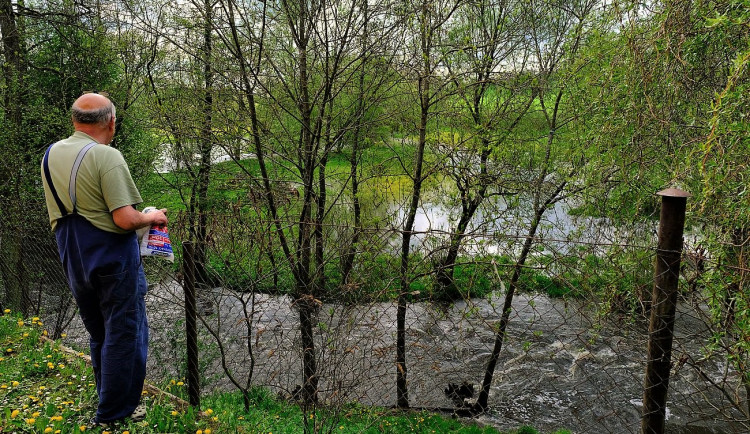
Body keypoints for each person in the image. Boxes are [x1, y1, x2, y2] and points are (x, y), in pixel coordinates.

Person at [41, 92, 167, 426]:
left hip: (72, 254)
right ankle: (115, 413)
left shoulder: (51, 153)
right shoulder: (106, 156)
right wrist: (152, 217)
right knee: (125, 333)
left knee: (99, 333)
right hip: (112, 257)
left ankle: (106, 400)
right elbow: (124, 219)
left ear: (74, 121)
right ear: (110, 122)